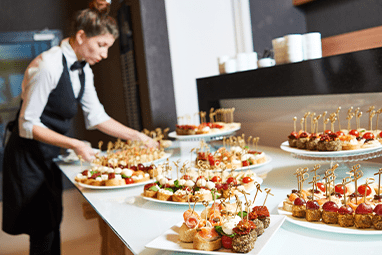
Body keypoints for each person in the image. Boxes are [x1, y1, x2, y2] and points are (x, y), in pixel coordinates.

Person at [2, 7, 156, 255]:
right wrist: (76, 144)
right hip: (27, 157)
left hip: (50, 154)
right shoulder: (47, 65)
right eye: (101, 45)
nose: (105, 54)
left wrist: (138, 136)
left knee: (53, 222)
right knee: (42, 229)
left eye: (108, 47)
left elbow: (97, 117)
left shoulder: (83, 69)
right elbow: (27, 124)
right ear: (82, 36)